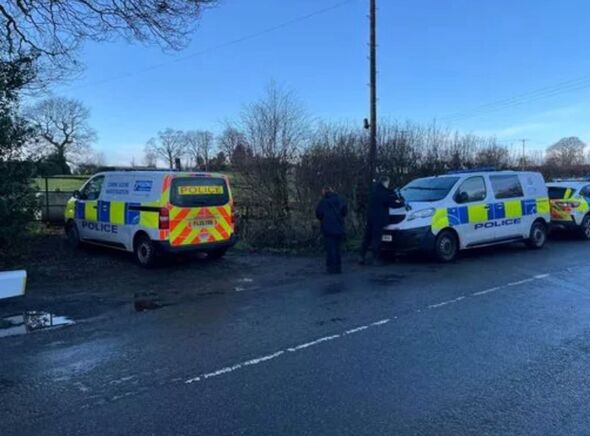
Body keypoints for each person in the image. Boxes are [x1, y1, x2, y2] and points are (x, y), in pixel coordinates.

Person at [360, 175, 401, 265]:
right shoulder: (384, 192)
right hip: (378, 219)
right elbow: (391, 203)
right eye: (388, 183)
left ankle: (362, 256)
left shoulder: (374, 190)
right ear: (385, 182)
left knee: (367, 238)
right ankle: (376, 259)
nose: (388, 184)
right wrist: (400, 203)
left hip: (370, 218)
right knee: (376, 239)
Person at [315, 187, 348, 274]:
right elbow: (344, 212)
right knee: (337, 248)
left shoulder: (323, 202)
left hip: (328, 228)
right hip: (339, 227)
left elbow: (318, 214)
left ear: (324, 192)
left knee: (330, 248)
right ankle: (338, 267)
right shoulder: (340, 200)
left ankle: (331, 268)